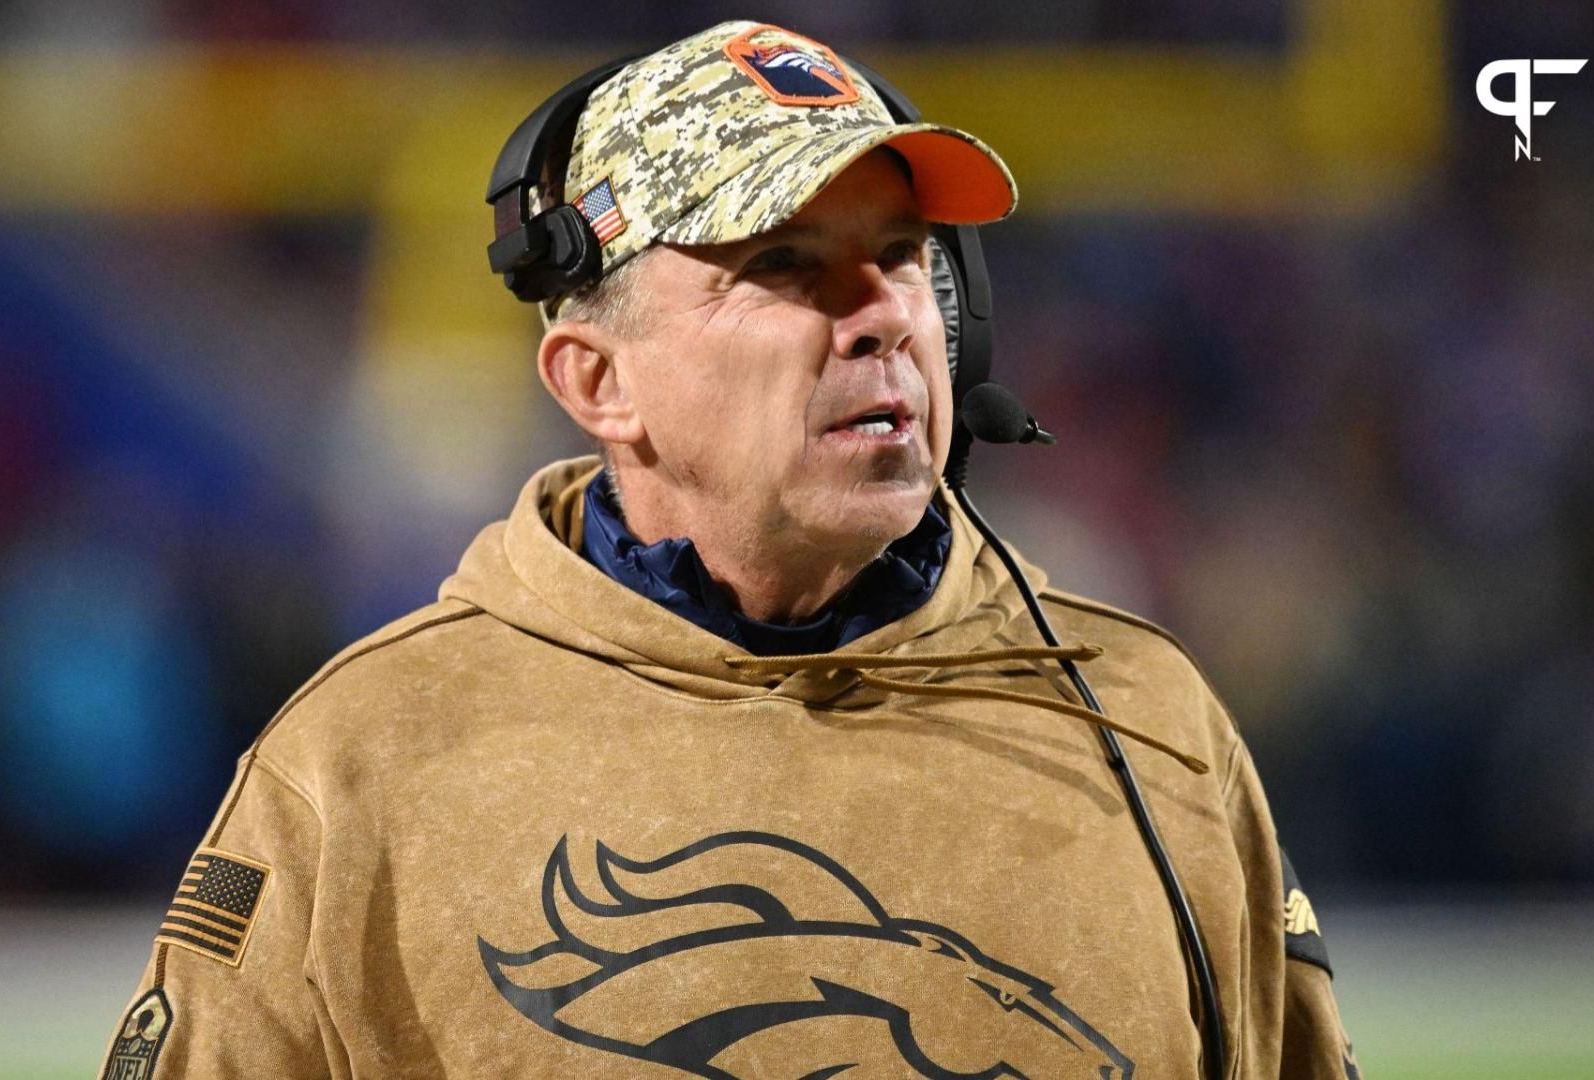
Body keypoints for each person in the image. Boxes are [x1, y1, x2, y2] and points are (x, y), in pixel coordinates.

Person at [102, 20, 1360, 1080]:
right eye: (785, 266)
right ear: (599, 381)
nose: (879, 315)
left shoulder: (1148, 722)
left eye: (903, 258)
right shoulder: (361, 762)